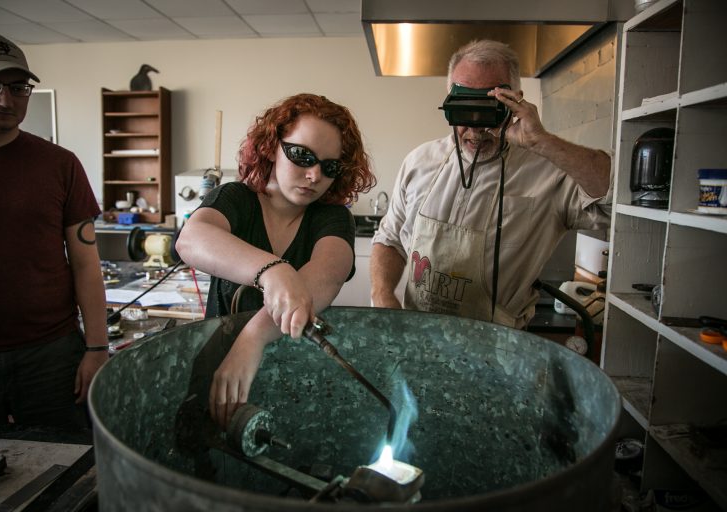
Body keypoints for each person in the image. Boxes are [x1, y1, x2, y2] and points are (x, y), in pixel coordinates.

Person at [371, 39, 611, 329]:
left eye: (487, 108)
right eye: (463, 108)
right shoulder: (419, 162)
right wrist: (383, 297)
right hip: (419, 339)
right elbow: (389, 238)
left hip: (497, 349)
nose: (475, 127)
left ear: (515, 100)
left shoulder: (549, 172)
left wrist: (541, 141)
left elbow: (614, 198)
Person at [175, 93, 376, 428]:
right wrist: (274, 270)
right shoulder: (235, 199)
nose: (314, 176)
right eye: (301, 156)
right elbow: (192, 239)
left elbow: (327, 275)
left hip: (294, 383)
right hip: (220, 377)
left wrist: (252, 338)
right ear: (270, 147)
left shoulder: (332, 218)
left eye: (329, 167)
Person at [0, 33, 108, 431]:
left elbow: (85, 265)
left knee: (69, 469)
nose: (5, 99)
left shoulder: (59, 164)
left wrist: (97, 347)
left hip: (51, 353)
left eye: (18, 87)